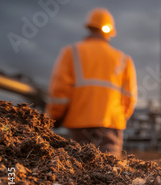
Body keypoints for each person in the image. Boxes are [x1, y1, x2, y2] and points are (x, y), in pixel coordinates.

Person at [46, 8, 137, 158]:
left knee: (78, 170)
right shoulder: (123, 59)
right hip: (110, 125)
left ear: (89, 27)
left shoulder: (72, 52)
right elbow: (129, 98)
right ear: (110, 31)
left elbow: (59, 93)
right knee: (111, 170)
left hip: (79, 124)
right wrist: (117, 116)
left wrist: (53, 119)